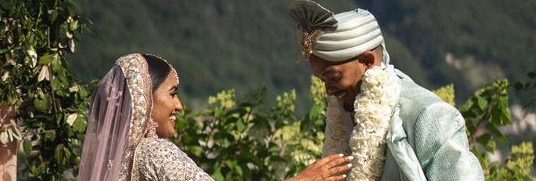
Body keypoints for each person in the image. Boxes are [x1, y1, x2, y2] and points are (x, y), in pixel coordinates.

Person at [288, 0, 484, 181]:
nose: (328, 91)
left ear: (367, 61)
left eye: (333, 77)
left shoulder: (429, 116)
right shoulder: (342, 116)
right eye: (322, 81)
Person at [78, 53, 352, 180]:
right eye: (172, 93)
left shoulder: (115, 164)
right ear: (144, 98)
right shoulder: (153, 153)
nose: (180, 106)